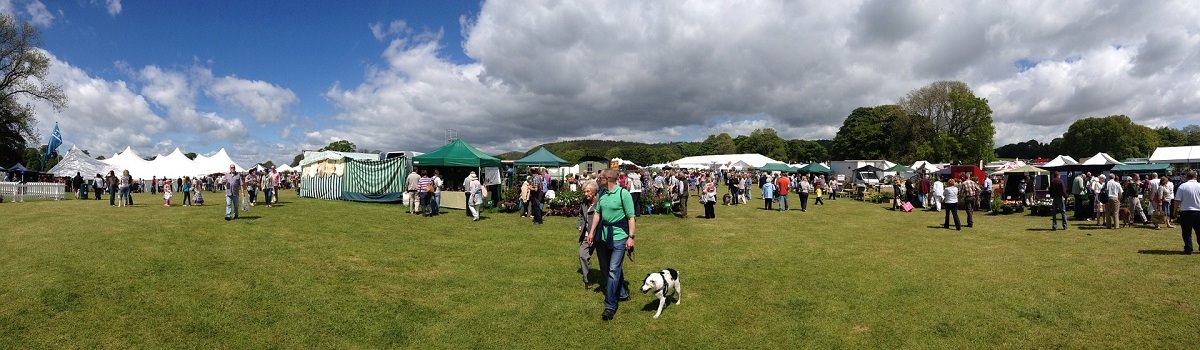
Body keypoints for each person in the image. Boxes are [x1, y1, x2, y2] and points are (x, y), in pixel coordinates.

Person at [585, 169, 635, 321]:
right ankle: (623, 293)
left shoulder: (623, 194)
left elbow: (631, 217)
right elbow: (598, 214)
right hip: (604, 236)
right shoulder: (603, 194)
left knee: (613, 269)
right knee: (607, 268)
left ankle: (610, 306)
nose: (598, 180)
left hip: (620, 237)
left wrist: (631, 237)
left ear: (608, 179)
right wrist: (592, 232)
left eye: (600, 178)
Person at [578, 180, 599, 288]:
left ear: (594, 192)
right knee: (582, 255)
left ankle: (608, 282)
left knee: (605, 261)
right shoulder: (584, 202)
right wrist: (580, 225)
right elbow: (581, 214)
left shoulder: (601, 202)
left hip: (600, 235)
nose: (585, 194)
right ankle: (587, 280)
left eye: (588, 192)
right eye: (584, 192)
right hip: (587, 235)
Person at [1173, 170, 1200, 254]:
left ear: (1186, 177)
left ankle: (1188, 249)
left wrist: (1175, 211)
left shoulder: (1182, 186)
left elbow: (1177, 201)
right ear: (1196, 176)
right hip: (1198, 211)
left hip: (1186, 211)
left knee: (1186, 232)